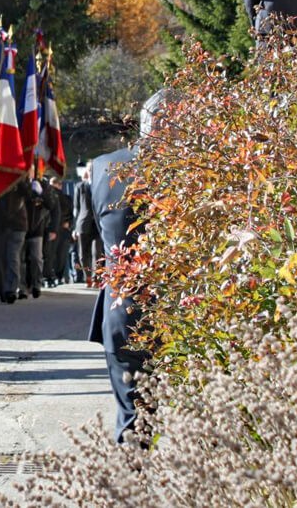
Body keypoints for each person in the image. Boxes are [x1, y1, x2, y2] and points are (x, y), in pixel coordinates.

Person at [88, 90, 169, 442]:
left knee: (132, 419)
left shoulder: (103, 167)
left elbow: (99, 229)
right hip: (171, 308)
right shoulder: (183, 172)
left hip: (120, 307)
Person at [0, 176, 30, 304]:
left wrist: (21, 179)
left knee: (12, 256)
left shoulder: (19, 177)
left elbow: (28, 194)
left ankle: (11, 289)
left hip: (17, 224)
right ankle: (5, 287)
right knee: (1, 258)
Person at [24, 167, 60, 298]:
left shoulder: (43, 185)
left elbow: (53, 207)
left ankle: (36, 285)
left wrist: (41, 193)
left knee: (36, 258)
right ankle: (24, 286)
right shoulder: (19, 184)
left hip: (37, 228)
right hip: (21, 227)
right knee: (22, 259)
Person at [73, 160, 101, 285]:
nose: (90, 171)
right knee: (83, 253)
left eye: (93, 169)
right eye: (89, 169)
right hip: (83, 223)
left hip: (98, 224)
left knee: (97, 252)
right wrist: (75, 227)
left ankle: (96, 277)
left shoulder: (100, 185)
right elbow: (76, 208)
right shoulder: (80, 186)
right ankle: (88, 276)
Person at [46, 176, 74, 286]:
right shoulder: (49, 197)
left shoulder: (66, 199)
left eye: (55, 184)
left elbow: (72, 214)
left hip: (63, 229)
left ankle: (59, 276)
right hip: (52, 228)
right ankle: (50, 277)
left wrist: (69, 224)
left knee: (61, 255)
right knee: (50, 254)